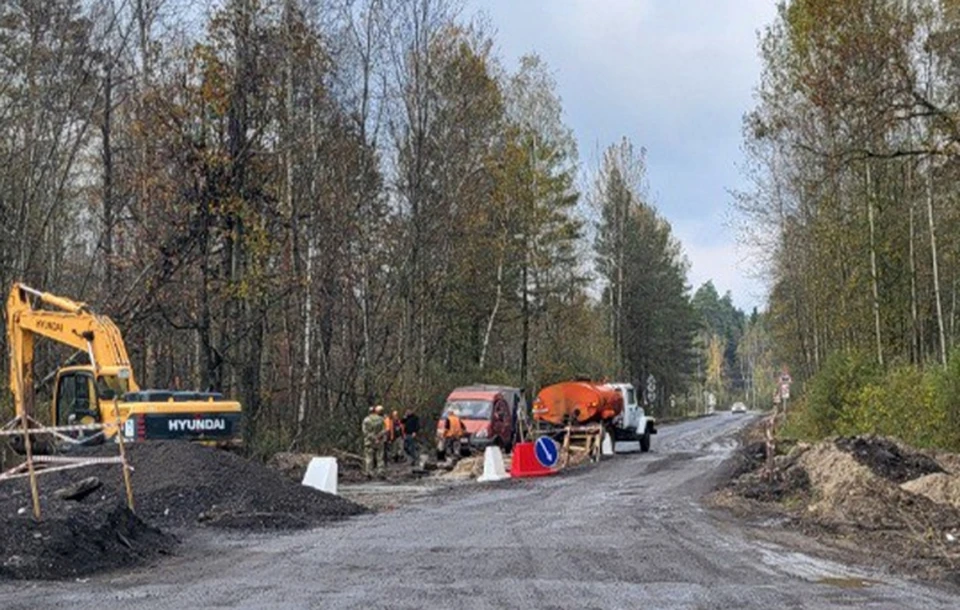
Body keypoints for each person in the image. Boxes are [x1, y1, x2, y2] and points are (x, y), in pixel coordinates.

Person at [362, 405, 386, 478]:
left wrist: (372, 437)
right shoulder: (381, 419)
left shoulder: (366, 420)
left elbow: (365, 431)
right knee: (380, 457)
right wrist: (378, 437)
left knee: (369, 457)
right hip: (379, 441)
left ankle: (369, 472)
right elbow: (384, 430)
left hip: (369, 442)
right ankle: (381, 472)